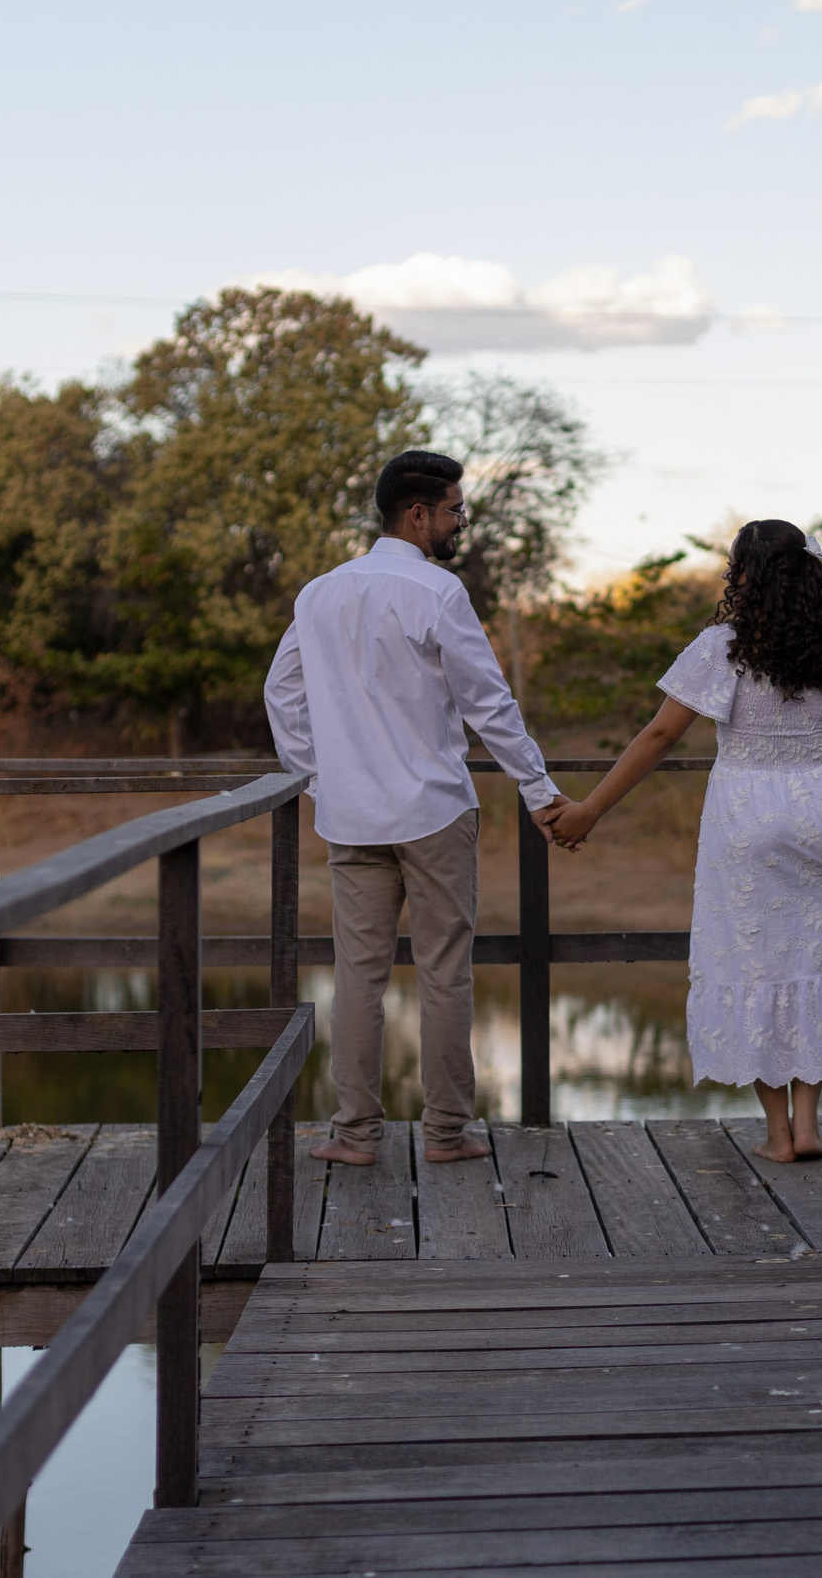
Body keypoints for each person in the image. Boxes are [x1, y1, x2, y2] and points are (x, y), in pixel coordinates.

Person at [546, 519, 822, 1163]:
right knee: (819, 960)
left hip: (747, 816)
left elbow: (660, 738)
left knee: (755, 964)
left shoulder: (721, 646)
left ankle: (778, 1135)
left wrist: (591, 809)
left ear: (743, 574)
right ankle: (809, 1127)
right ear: (810, 574)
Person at [264, 449, 568, 1168]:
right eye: (456, 510)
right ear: (418, 514)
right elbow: (487, 702)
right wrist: (539, 789)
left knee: (358, 976)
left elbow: (281, 693)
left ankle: (354, 1134)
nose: (462, 522)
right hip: (433, 812)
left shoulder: (320, 593)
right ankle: (443, 1134)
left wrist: (317, 776)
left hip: (351, 818)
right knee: (443, 973)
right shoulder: (438, 592)